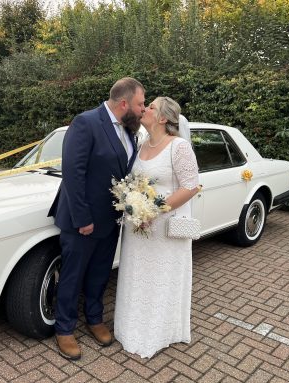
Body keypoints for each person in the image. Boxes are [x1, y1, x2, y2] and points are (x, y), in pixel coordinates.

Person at [48, 78, 146, 360]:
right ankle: (64, 329)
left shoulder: (129, 131)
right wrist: (83, 218)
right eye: (140, 103)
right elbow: (73, 173)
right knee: (72, 275)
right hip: (84, 221)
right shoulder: (86, 122)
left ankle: (94, 319)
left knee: (100, 273)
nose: (142, 109)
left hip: (111, 220)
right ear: (124, 103)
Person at [114, 96, 200, 358]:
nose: (145, 109)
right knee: (136, 274)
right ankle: (131, 326)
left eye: (151, 107)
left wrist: (154, 209)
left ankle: (159, 331)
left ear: (163, 118)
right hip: (138, 228)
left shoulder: (179, 147)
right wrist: (132, 203)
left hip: (164, 229)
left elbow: (191, 186)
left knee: (160, 278)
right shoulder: (140, 144)